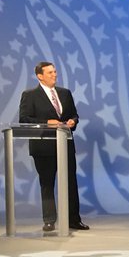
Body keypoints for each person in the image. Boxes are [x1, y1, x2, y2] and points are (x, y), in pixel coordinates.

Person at [18, 61, 89, 232]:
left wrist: (73, 121)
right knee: (47, 183)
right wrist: (46, 122)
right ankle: (49, 220)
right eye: (50, 72)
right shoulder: (30, 95)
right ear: (40, 76)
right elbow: (24, 119)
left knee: (70, 182)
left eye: (55, 71)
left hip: (65, 144)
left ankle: (73, 219)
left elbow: (74, 114)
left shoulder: (65, 93)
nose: (54, 74)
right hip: (44, 147)